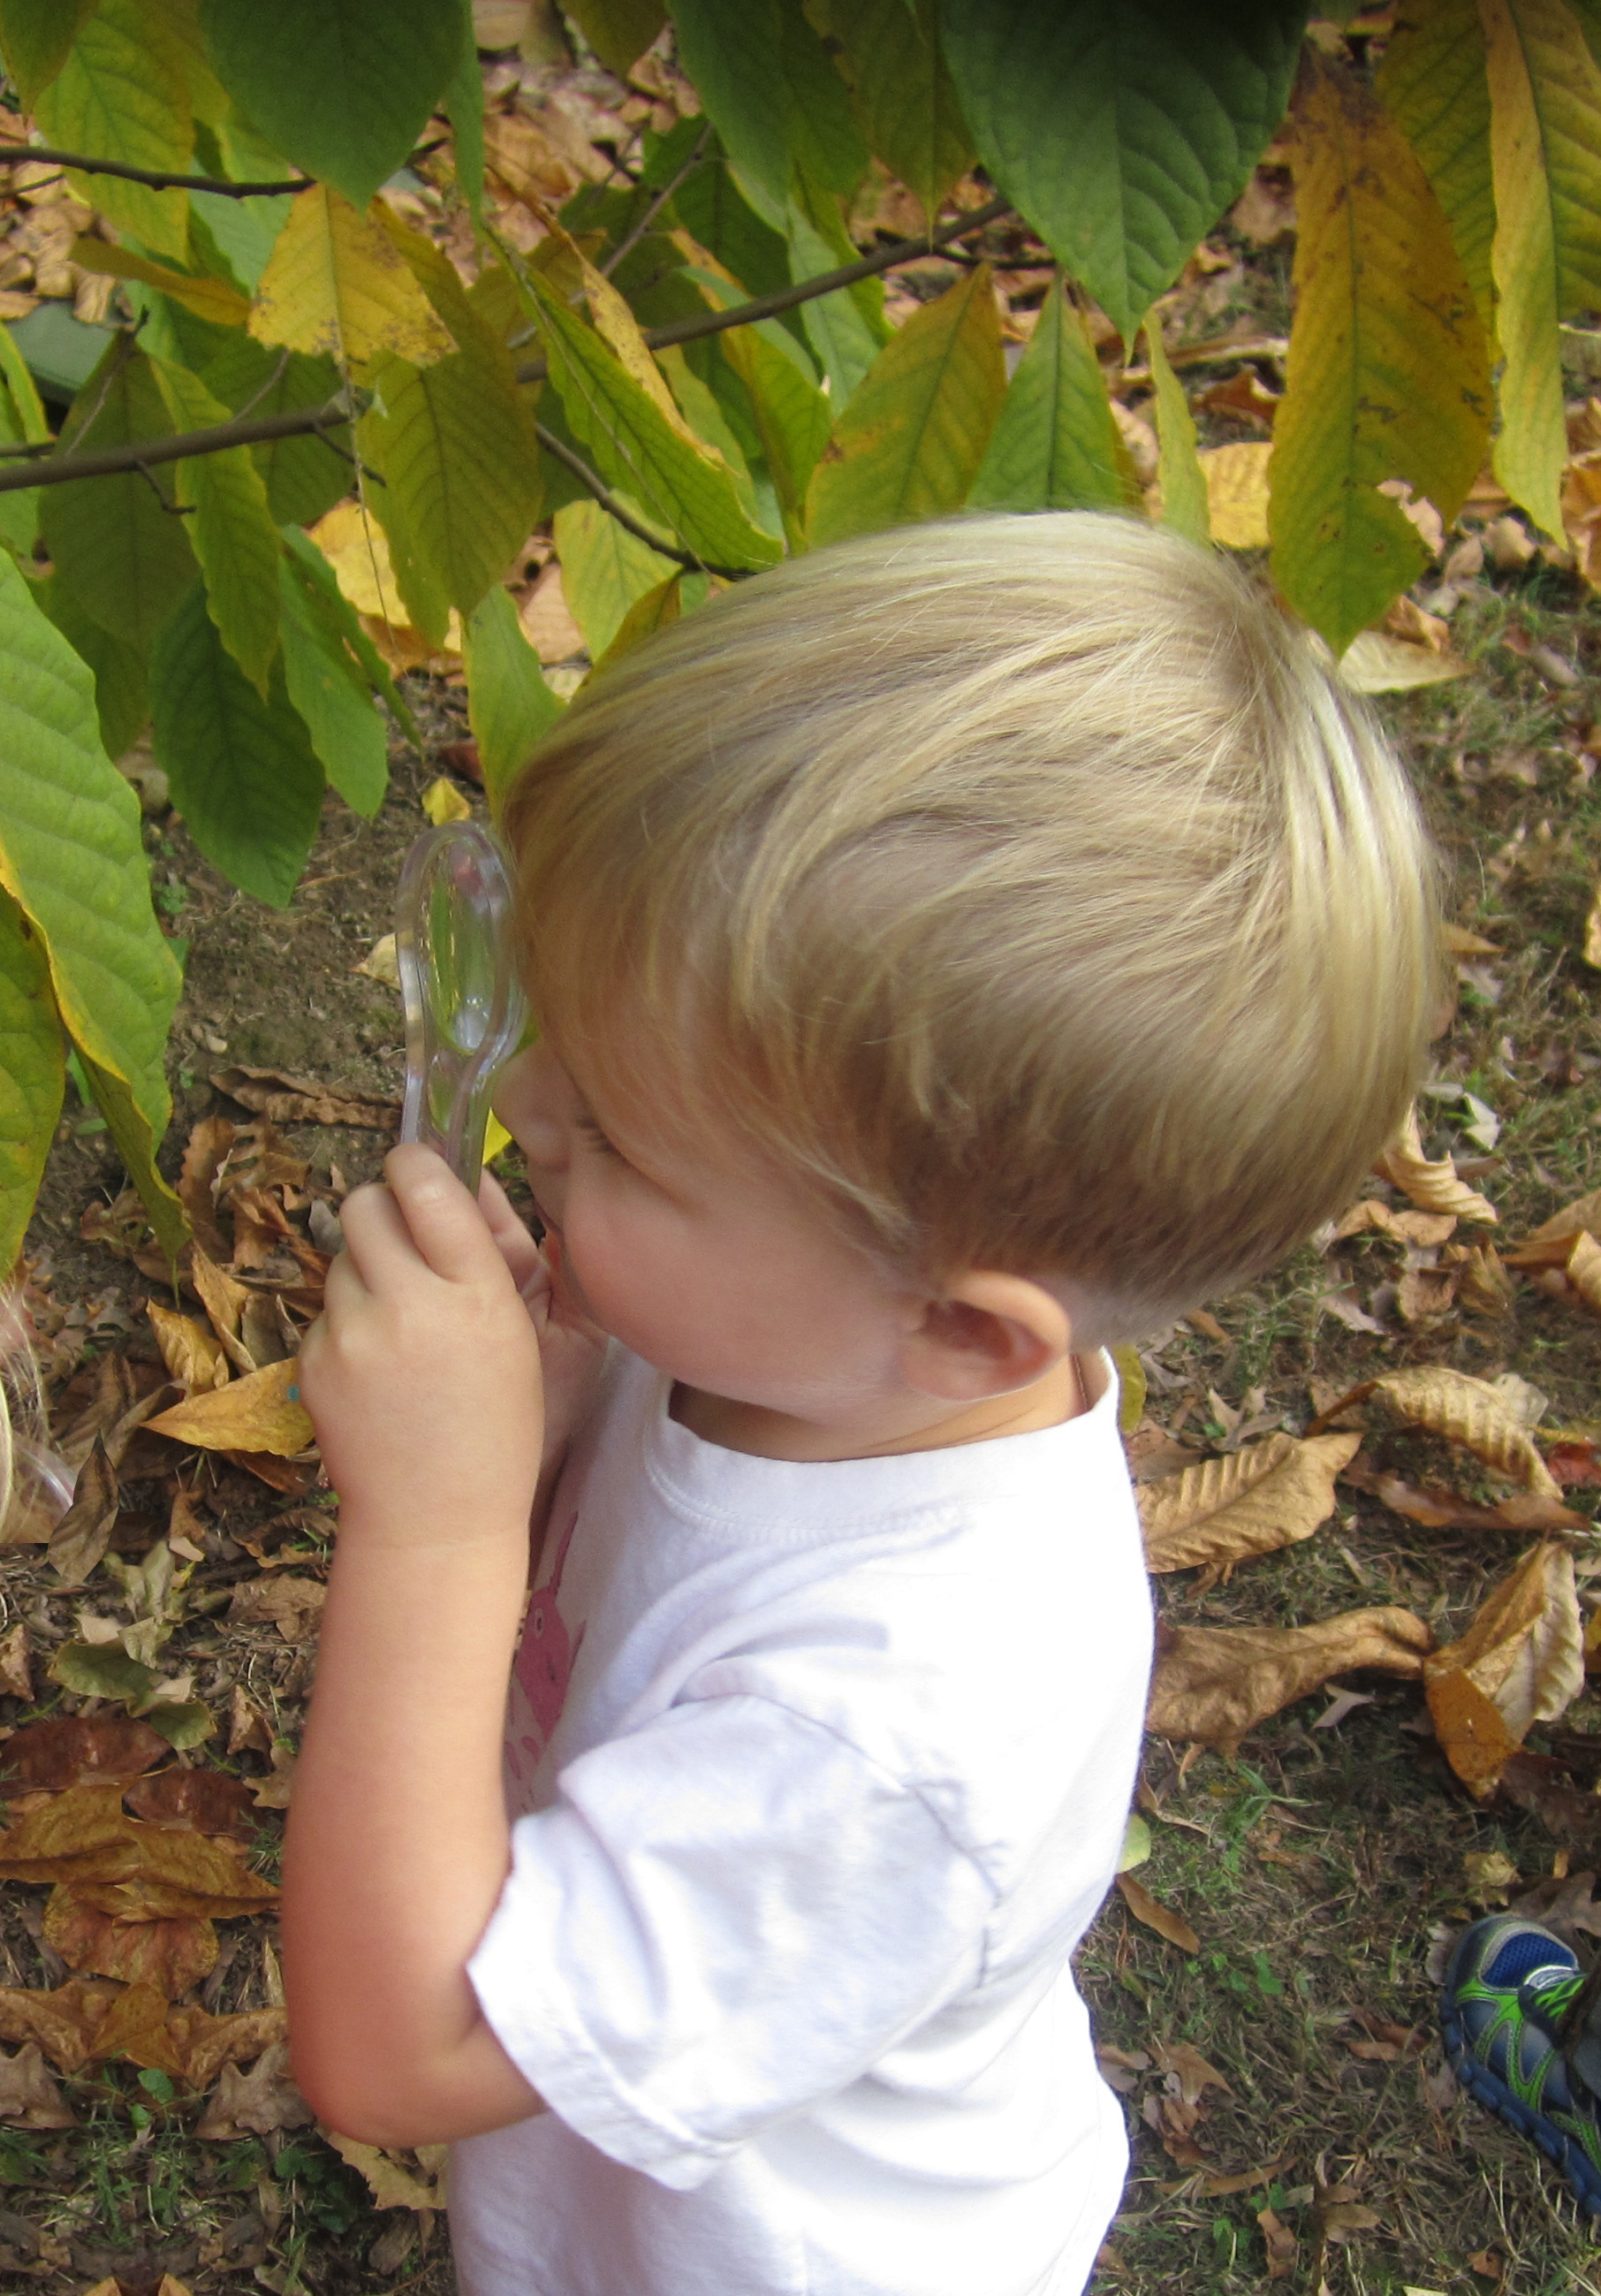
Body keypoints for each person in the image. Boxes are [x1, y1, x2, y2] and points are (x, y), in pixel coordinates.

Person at [282, 512, 1440, 2296]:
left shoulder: (897, 1732)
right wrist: (555, 1416)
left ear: (967, 1334)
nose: (525, 1127)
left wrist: (433, 1525)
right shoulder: (820, 1334)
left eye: (616, 1144)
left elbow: (396, 2049)